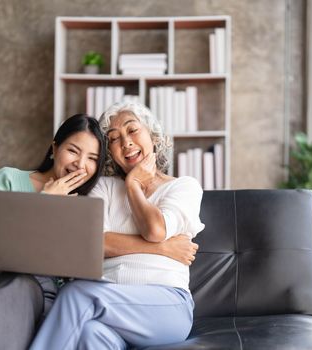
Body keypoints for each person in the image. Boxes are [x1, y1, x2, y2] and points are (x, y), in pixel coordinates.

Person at [0, 113, 197, 350]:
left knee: (83, 328)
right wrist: (43, 203)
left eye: (93, 159)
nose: (80, 164)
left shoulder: (85, 201)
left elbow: (82, 261)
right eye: (73, 151)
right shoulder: (10, 178)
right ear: (54, 148)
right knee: (17, 293)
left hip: (46, 296)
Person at [29, 102, 205, 350]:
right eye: (114, 138)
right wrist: (162, 249)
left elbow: (155, 230)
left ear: (153, 136)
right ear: (110, 152)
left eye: (133, 130)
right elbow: (95, 242)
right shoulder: (104, 187)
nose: (126, 142)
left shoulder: (183, 187)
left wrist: (134, 186)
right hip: (108, 306)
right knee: (90, 335)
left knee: (77, 294)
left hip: (166, 306)